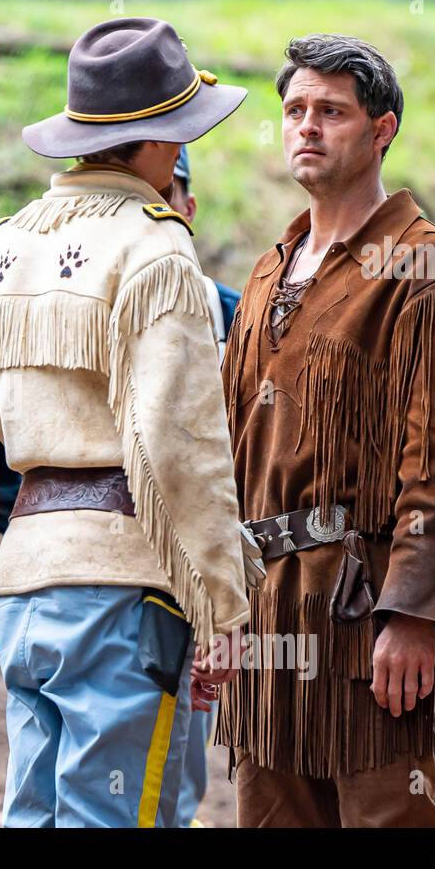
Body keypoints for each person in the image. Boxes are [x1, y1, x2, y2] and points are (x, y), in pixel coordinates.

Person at [0, 18, 263, 827]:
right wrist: (223, 609)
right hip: (127, 597)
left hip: (25, 591)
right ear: (159, 142)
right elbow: (179, 449)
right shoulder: (159, 251)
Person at [215, 35, 435, 827]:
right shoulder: (272, 268)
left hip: (361, 609)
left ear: (382, 130)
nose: (306, 127)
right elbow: (232, 452)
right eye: (294, 110)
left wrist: (412, 611)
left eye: (331, 112)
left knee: (386, 821)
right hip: (268, 612)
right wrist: (219, 602)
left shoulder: (426, 267)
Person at [165, 143, 242, 827]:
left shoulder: (235, 322)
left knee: (166, 786)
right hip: (104, 578)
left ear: (189, 208)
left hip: (203, 582)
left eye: (171, 194)